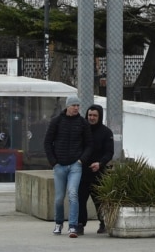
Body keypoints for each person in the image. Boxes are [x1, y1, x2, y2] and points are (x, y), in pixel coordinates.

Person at [44, 95, 92, 238]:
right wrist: (54, 162)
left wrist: (81, 160)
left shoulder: (83, 123)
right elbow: (47, 142)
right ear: (67, 106)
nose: (76, 108)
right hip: (59, 165)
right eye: (74, 105)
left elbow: (89, 144)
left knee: (73, 194)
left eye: (78, 105)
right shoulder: (56, 122)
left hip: (75, 165)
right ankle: (58, 223)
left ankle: (73, 226)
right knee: (59, 198)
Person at [76, 104, 114, 235]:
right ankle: (80, 224)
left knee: (99, 200)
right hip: (82, 171)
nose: (91, 118)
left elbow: (109, 152)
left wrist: (100, 163)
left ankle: (103, 222)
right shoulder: (81, 130)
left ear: (100, 117)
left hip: (99, 171)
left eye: (94, 115)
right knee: (80, 199)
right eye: (89, 115)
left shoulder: (106, 132)